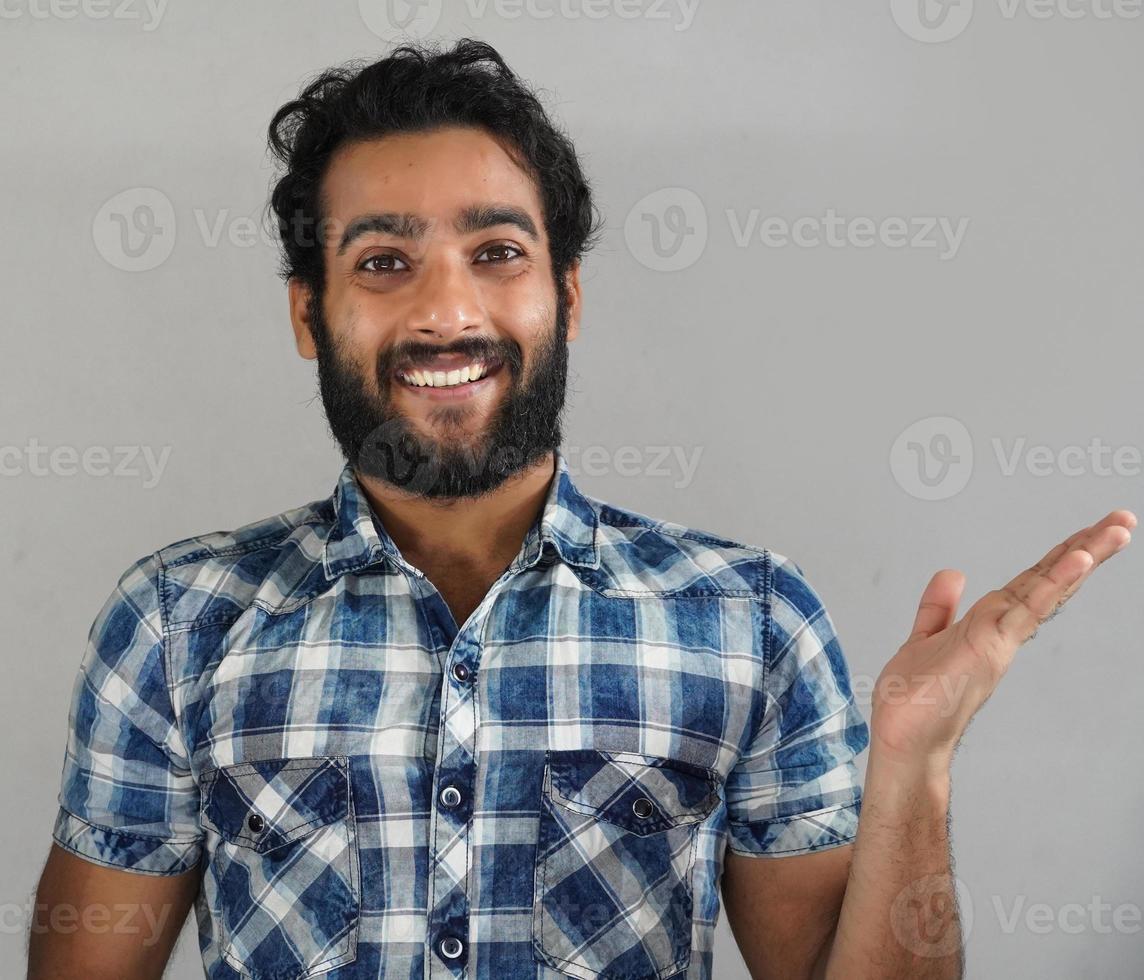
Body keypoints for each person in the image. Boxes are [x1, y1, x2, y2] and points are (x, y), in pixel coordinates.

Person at [28, 38, 1134, 980]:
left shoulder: (749, 618)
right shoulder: (178, 620)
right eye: (382, 260)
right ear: (309, 315)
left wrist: (914, 768)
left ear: (565, 295)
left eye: (497, 252)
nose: (447, 307)